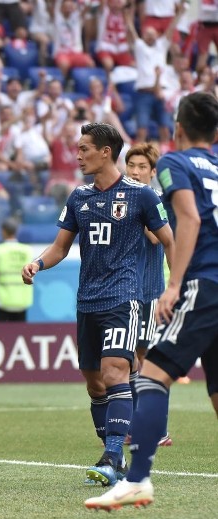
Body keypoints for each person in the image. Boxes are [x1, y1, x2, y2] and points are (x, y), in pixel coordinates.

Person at [22, 123, 175, 489]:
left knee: (114, 372)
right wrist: (38, 263)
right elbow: (60, 247)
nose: (77, 155)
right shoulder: (78, 197)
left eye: (84, 149)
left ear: (106, 152)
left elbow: (169, 240)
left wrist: (174, 286)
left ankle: (111, 456)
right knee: (94, 385)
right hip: (87, 300)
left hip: (125, 296)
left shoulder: (141, 196)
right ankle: (116, 454)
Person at [85, 92, 218, 510]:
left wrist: (175, 283)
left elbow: (191, 220)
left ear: (178, 127)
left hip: (205, 282)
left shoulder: (175, 163)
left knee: (149, 376)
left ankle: (137, 478)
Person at [122, 142, 172, 447]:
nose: (136, 172)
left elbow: (157, 238)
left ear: (153, 173)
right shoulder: (120, 199)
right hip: (124, 291)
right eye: (131, 166)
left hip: (149, 292)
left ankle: (157, 428)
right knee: (127, 359)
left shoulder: (156, 201)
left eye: (142, 167)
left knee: (147, 358)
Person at [0, 218, 34, 322]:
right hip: (22, 301)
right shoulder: (27, 251)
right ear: (16, 231)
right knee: (19, 335)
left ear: (3, 231)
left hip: (0, 301)